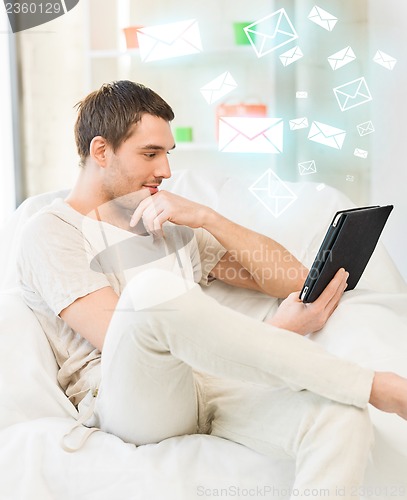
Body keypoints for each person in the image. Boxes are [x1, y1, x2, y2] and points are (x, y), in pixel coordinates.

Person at [17, 80, 407, 499]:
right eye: (150, 153)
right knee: (152, 293)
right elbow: (119, 339)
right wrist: (276, 332)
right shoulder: (49, 230)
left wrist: (206, 217)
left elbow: (290, 277)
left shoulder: (165, 221)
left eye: (167, 153)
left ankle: (357, 397)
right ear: (101, 151)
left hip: (211, 385)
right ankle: (374, 386)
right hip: (127, 396)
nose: (165, 170)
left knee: (340, 417)